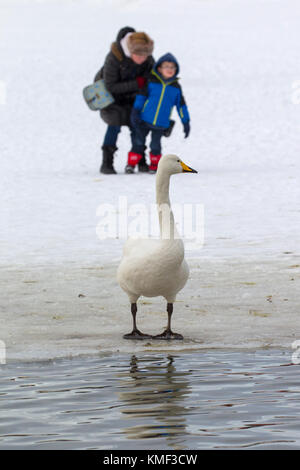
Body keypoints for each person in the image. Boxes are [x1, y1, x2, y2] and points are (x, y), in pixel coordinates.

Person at [94, 27, 154, 174]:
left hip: (136, 98)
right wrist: (137, 84)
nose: (142, 59)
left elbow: (153, 80)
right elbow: (110, 86)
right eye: (138, 55)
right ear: (130, 50)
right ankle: (107, 162)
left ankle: (140, 160)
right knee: (113, 126)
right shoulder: (114, 57)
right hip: (112, 99)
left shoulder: (148, 59)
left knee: (138, 128)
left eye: (145, 56)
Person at [128, 52, 190, 173]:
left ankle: (155, 165)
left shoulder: (176, 87)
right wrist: (135, 111)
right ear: (160, 68)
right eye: (166, 66)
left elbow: (181, 106)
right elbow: (141, 98)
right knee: (138, 142)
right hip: (144, 119)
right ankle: (131, 165)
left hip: (161, 123)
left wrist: (186, 122)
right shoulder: (151, 82)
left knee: (155, 145)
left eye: (172, 67)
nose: (170, 69)